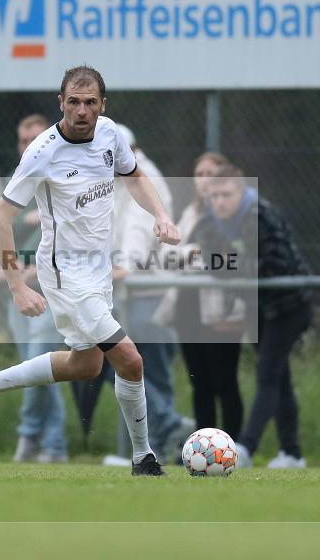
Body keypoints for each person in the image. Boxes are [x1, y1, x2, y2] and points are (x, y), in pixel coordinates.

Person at [0, 65, 181, 476]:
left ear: (102, 104)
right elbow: (0, 218)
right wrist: (17, 286)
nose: (82, 111)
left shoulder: (110, 134)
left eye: (90, 102)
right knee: (130, 360)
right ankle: (143, 458)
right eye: (73, 102)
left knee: (86, 365)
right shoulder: (42, 152)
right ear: (61, 103)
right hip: (65, 275)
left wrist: (161, 216)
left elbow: (135, 177)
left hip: (98, 272)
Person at [192, 165, 312, 469]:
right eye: (215, 196)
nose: (220, 202)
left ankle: (245, 448)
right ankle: (292, 454)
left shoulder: (261, 216)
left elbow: (276, 265)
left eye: (226, 194)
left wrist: (234, 266)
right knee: (280, 378)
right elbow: (212, 264)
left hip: (288, 306)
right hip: (258, 307)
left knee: (268, 373)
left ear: (242, 192)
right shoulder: (210, 222)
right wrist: (238, 267)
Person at [111, 123, 193, 461]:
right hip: (132, 291)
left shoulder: (144, 176)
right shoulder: (116, 177)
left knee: (133, 366)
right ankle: (158, 444)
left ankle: (166, 430)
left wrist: (125, 265)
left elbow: (138, 226)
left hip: (150, 292)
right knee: (138, 369)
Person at [169, 152, 245, 443]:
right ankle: (204, 448)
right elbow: (169, 255)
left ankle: (233, 448)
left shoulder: (233, 216)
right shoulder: (190, 213)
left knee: (224, 381)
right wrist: (193, 253)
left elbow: (230, 261)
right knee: (199, 383)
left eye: (210, 174)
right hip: (188, 306)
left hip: (222, 308)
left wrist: (199, 256)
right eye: (199, 174)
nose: (204, 181)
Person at [6, 114, 69, 464]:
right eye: (22, 139)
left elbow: (64, 234)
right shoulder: (15, 180)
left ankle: (29, 435)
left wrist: (30, 268)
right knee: (37, 370)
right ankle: (54, 445)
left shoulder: (65, 177)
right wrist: (6, 268)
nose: (28, 145)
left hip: (50, 289)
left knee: (37, 364)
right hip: (18, 290)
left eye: (35, 138)